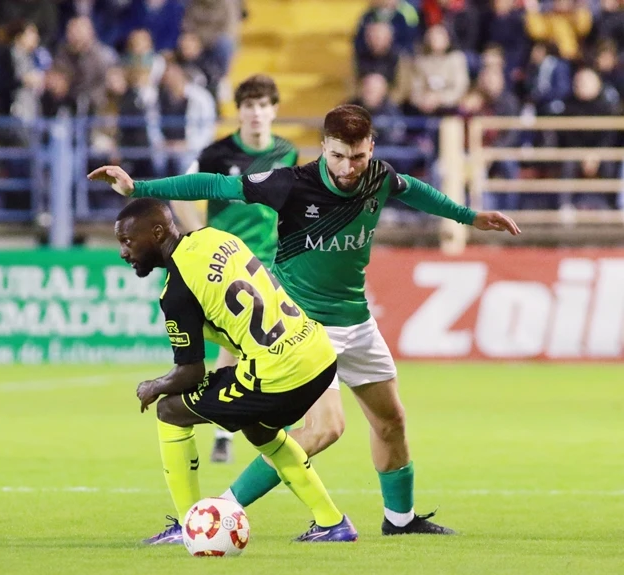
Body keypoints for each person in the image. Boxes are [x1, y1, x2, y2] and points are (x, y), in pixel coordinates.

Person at [90, 104, 521, 536]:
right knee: (325, 427)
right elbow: (217, 183)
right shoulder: (292, 184)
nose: (349, 167)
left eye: (357, 156)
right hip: (305, 324)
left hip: (356, 319)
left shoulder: (379, 177)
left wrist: (470, 217)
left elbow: (414, 191)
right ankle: (220, 511)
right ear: (323, 149)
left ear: (371, 147)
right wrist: (138, 186)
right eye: (337, 156)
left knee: (391, 421)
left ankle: (400, 520)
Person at [108, 197, 357, 545]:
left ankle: (188, 526)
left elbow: (190, 373)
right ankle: (332, 523)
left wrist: (155, 385)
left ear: (158, 231)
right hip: (316, 351)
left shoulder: (178, 290)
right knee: (260, 429)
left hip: (279, 371)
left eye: (127, 241)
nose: (123, 252)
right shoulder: (216, 238)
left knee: (170, 409)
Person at [171, 73, 299, 464]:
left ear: (274, 110)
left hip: (271, 263)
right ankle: (234, 425)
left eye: (263, 105)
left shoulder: (288, 152)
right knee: (241, 344)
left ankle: (235, 425)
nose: (257, 113)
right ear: (239, 111)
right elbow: (179, 193)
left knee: (261, 343)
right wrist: (199, 237)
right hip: (228, 266)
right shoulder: (216, 154)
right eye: (249, 106)